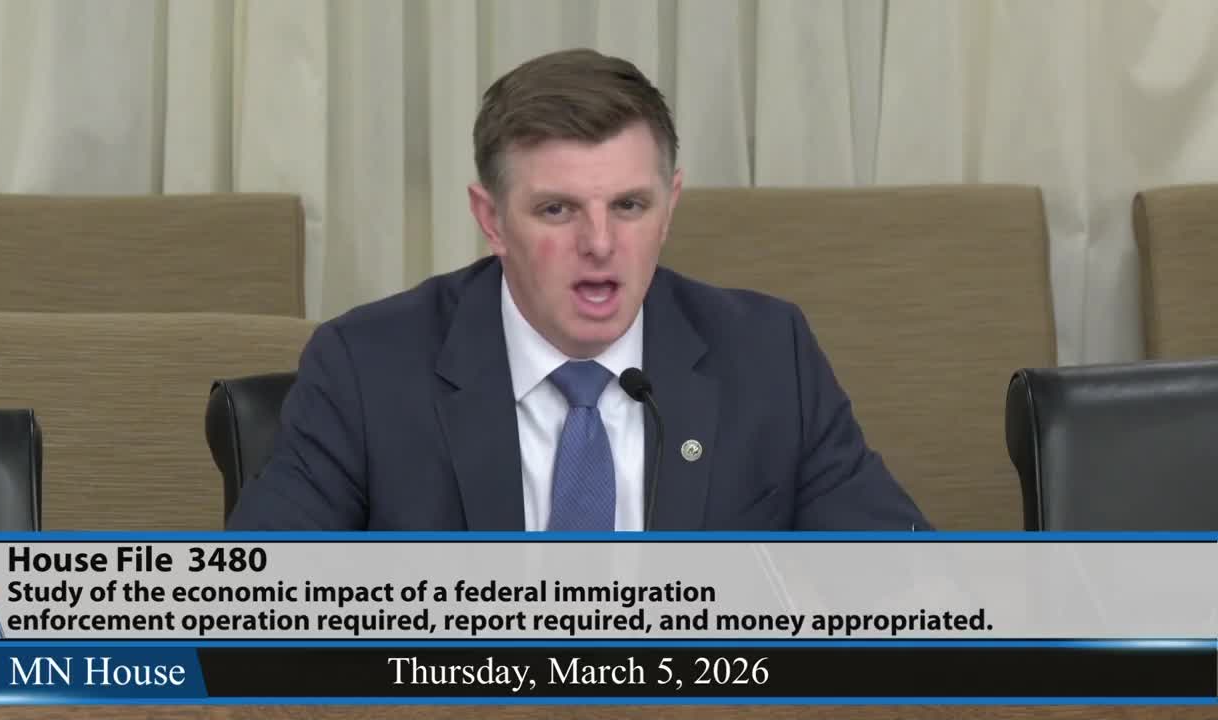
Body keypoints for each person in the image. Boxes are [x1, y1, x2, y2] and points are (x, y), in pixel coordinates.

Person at [226, 48, 930, 532]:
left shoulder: (768, 354)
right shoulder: (367, 366)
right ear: (492, 220)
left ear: (670, 207)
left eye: (629, 205)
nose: (599, 243)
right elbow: (258, 611)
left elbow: (906, 591)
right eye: (557, 209)